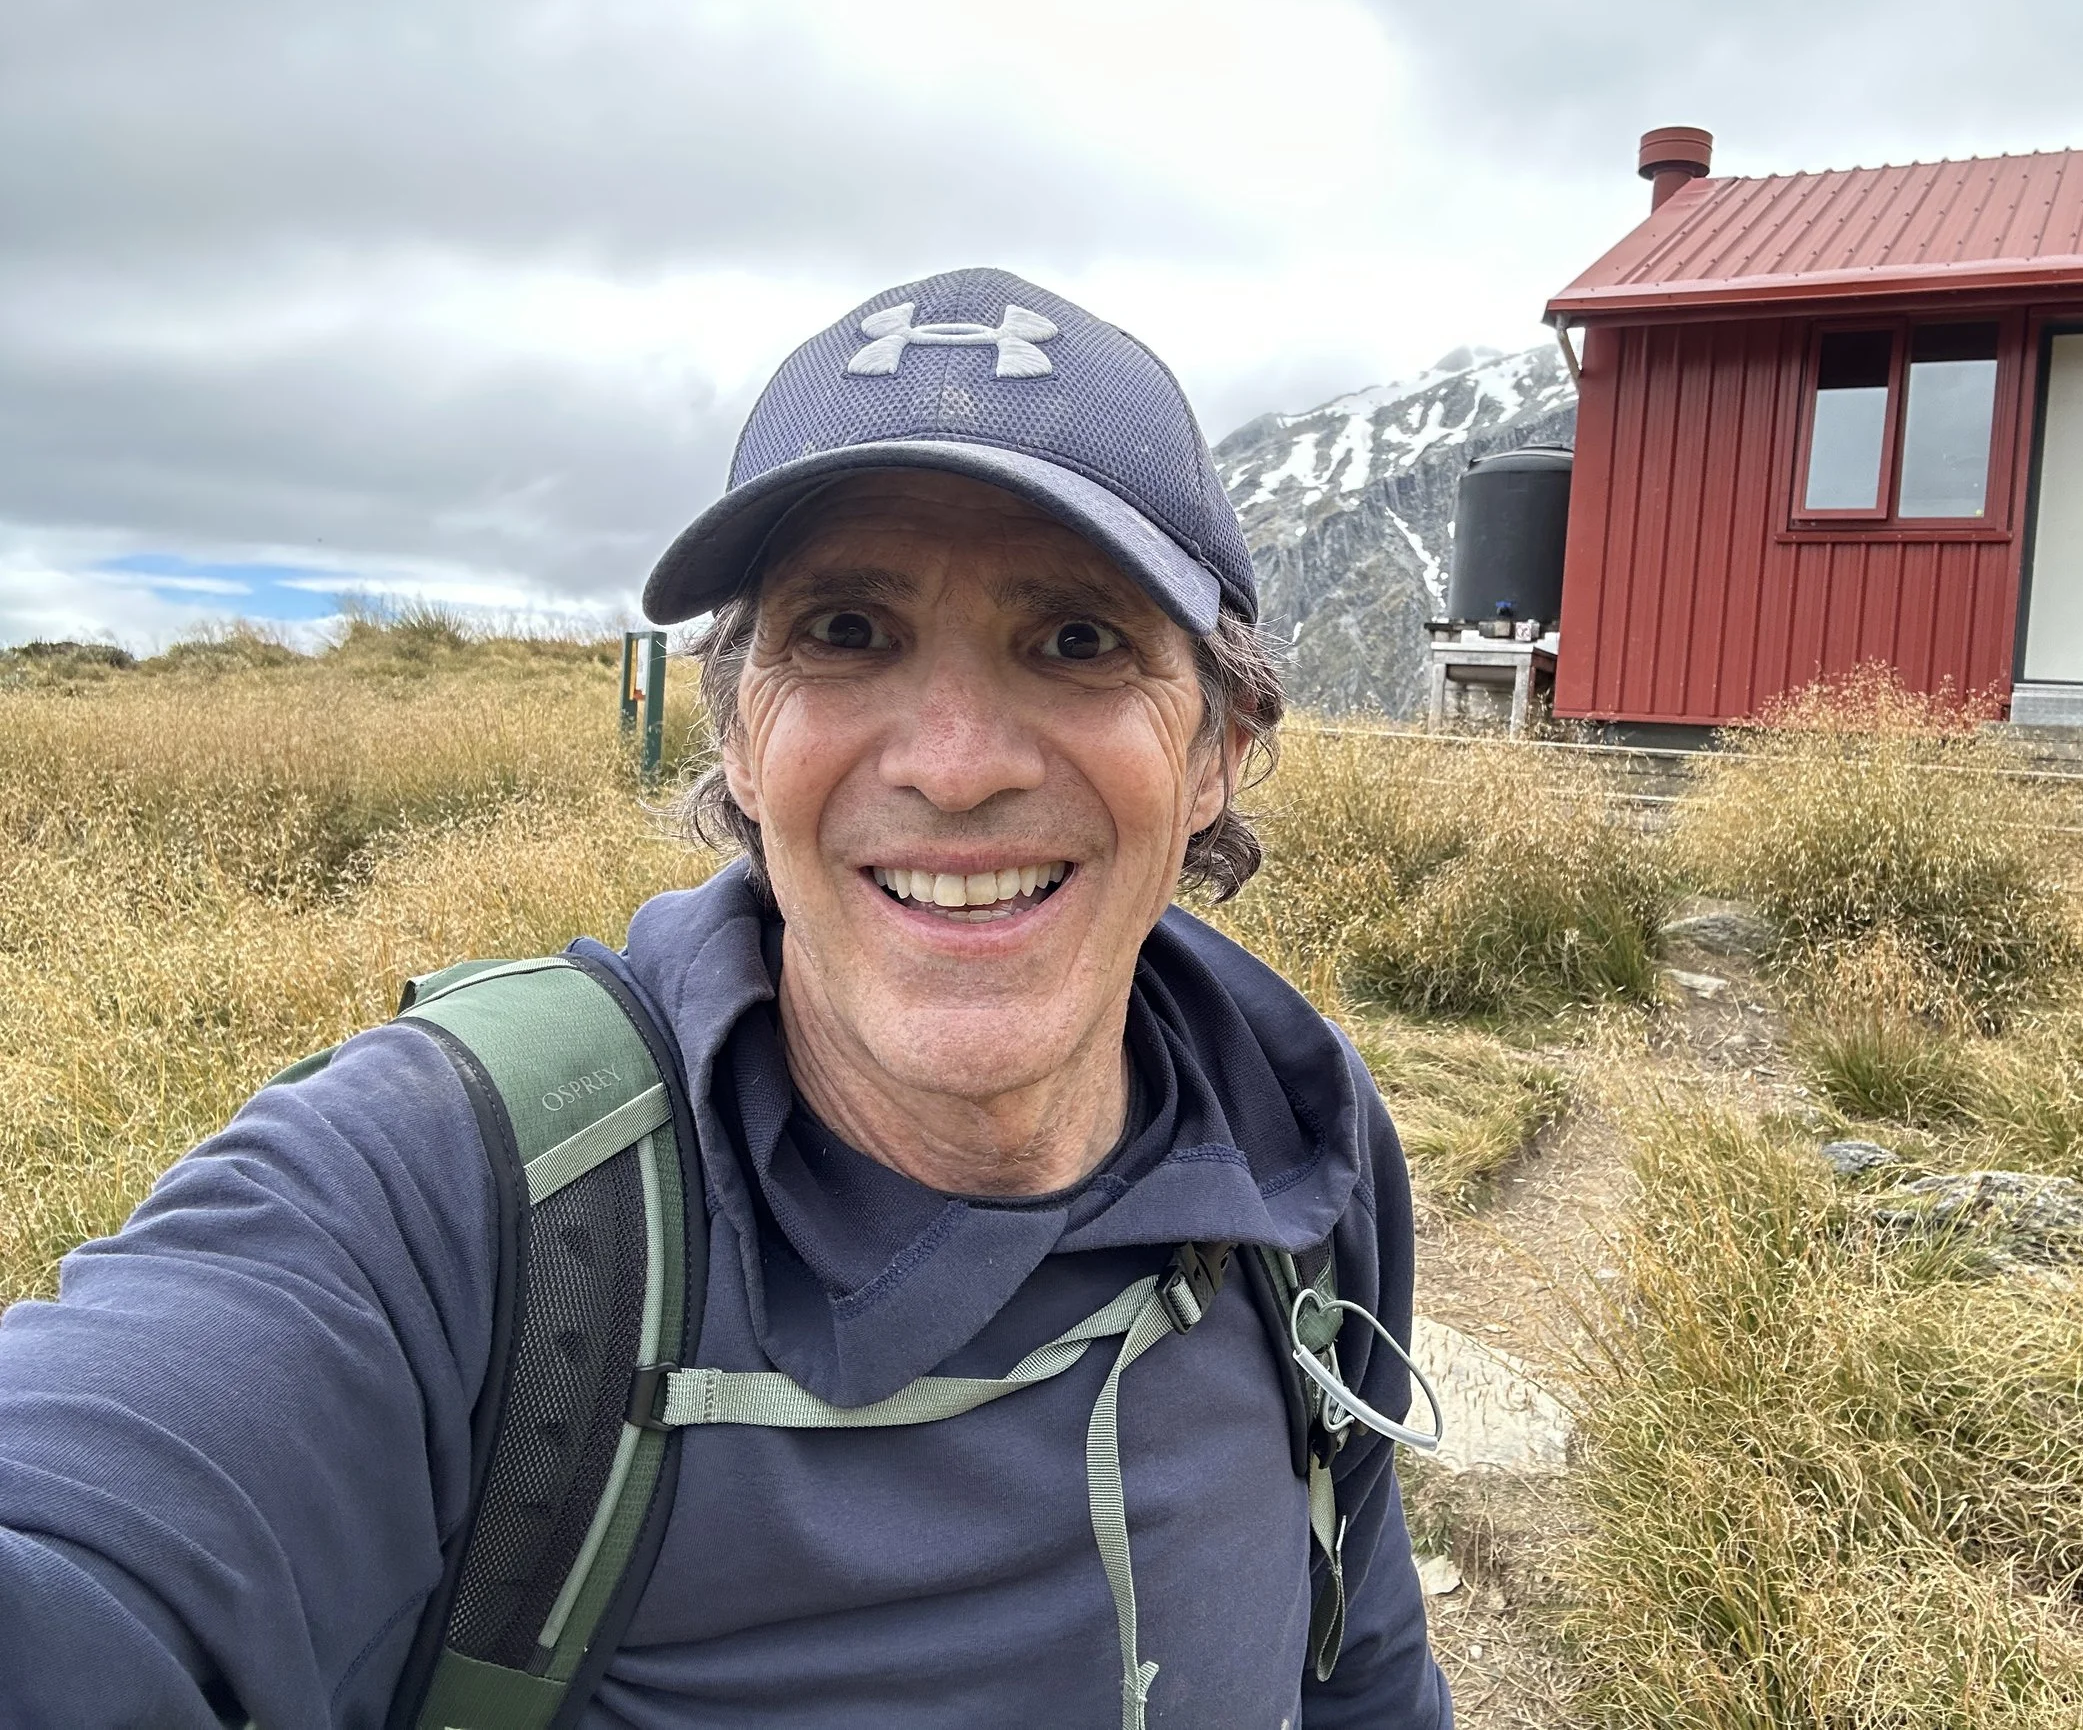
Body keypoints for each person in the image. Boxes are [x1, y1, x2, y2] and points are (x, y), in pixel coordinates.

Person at [0, 268, 1452, 1729]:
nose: (954, 764)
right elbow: (79, 1538)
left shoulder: (1299, 1147)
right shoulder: (465, 1199)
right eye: (846, 633)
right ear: (740, 733)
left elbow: (1365, 1669)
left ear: (1217, 748)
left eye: (1078, 639)